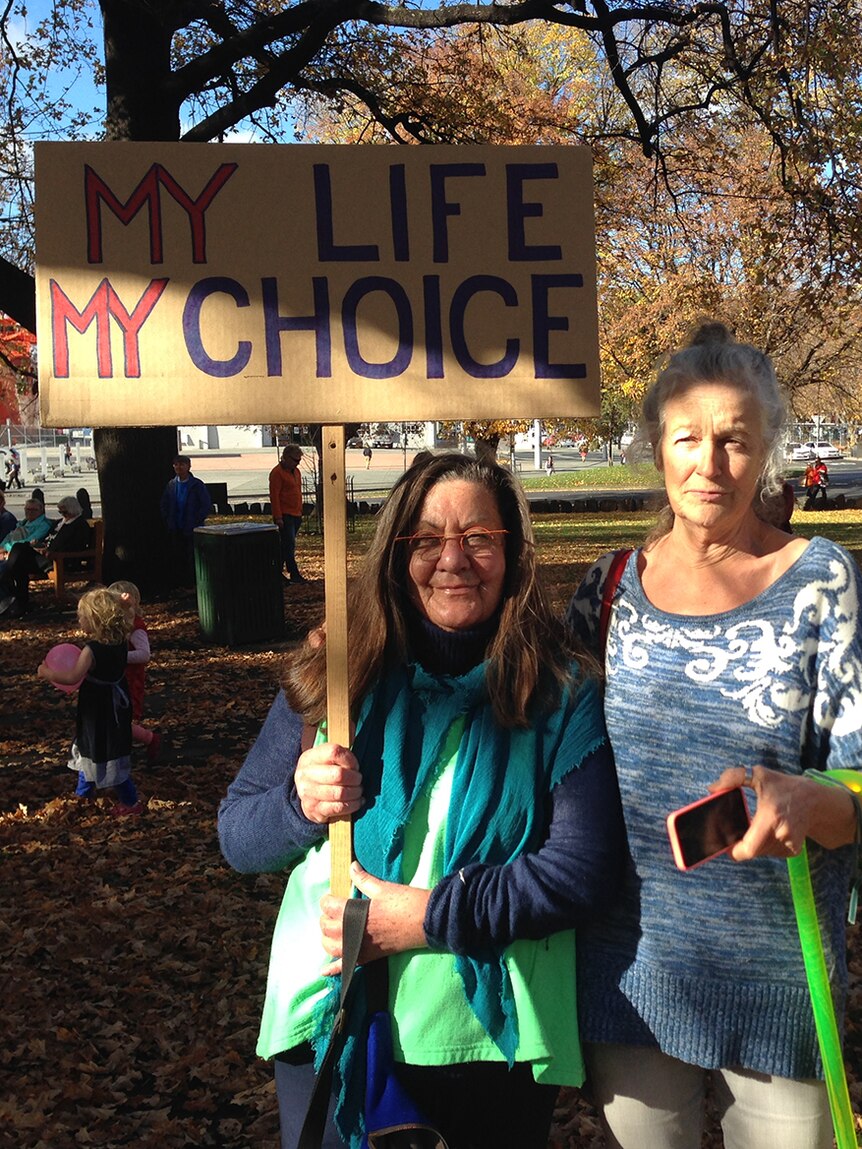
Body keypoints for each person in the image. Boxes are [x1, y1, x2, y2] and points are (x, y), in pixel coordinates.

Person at [219, 451, 625, 1149]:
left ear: (512, 550)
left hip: (484, 1038)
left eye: (478, 537)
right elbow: (237, 836)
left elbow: (583, 871)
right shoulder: (339, 669)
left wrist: (427, 917)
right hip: (330, 1017)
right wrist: (297, 803)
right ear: (395, 552)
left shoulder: (559, 687)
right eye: (427, 539)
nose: (453, 558)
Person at [566, 321, 862, 1149]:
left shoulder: (819, 581)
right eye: (688, 437)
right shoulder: (610, 587)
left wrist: (812, 797)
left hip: (779, 981)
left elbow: (860, 782)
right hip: (631, 973)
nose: (711, 463)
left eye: (735, 439)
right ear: (655, 447)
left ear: (767, 447)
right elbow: (527, 734)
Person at [37, 586, 142, 817]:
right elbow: (128, 618)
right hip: (116, 705)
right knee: (105, 747)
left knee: (95, 746)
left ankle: (130, 801)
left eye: (81, 616)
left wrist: (47, 673)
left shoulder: (91, 650)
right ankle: (83, 793)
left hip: (97, 707)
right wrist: (125, 605)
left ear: (95, 620)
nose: (79, 620)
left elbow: (72, 677)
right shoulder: (121, 640)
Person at [0, 495, 91, 617]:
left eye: (64, 511)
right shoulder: (59, 523)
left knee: (18, 550)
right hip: (45, 554)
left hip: (58, 559)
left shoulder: (79, 525)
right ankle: (20, 602)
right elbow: (47, 539)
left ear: (72, 509)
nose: (62, 514)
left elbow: (76, 546)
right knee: (19, 557)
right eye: (60, 511)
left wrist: (51, 552)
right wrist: (39, 546)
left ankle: (8, 579)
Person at [109, 581, 162, 766]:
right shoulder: (120, 626)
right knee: (115, 717)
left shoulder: (136, 628)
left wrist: (119, 657)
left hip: (130, 681)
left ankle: (149, 739)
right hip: (118, 679)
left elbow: (144, 654)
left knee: (123, 720)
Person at [160, 453, 212, 586]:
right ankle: (180, 584)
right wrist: (168, 519)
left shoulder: (197, 485)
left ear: (188, 466)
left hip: (192, 527)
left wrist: (196, 520)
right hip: (175, 527)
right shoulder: (171, 485)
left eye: (182, 464)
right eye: (176, 464)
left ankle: (193, 585)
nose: (179, 467)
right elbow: (165, 503)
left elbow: (205, 504)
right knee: (178, 557)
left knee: (192, 557)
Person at [268, 444, 306, 583]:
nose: (298, 463)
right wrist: (278, 517)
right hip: (285, 515)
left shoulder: (296, 472)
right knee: (288, 545)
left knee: (286, 546)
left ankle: (276, 573)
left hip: (296, 514)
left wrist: (300, 511)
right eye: (295, 460)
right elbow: (275, 496)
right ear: (285, 457)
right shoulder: (277, 473)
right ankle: (293, 573)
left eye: (299, 460)